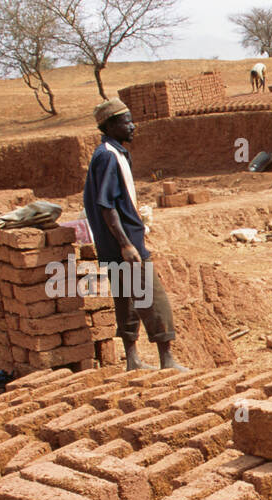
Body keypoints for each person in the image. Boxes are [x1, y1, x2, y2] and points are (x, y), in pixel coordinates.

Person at [83, 98, 183, 371]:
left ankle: (133, 360)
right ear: (111, 124)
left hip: (114, 244)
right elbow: (107, 205)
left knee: (126, 299)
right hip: (123, 243)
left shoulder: (112, 152)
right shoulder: (107, 156)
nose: (132, 126)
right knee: (151, 296)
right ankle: (168, 359)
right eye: (126, 121)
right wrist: (127, 244)